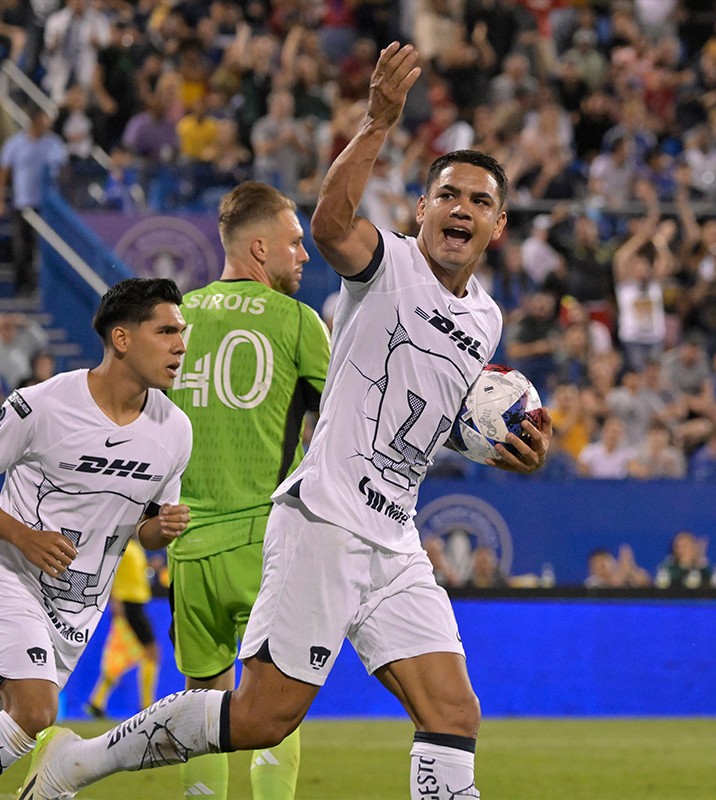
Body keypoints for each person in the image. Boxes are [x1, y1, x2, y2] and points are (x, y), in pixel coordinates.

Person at [19, 42, 552, 800]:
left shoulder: (487, 320)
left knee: (453, 711)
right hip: (326, 519)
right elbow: (332, 224)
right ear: (423, 209)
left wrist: (512, 449)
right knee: (263, 716)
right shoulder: (390, 264)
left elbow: (441, 417)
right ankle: (80, 762)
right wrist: (376, 123)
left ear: (497, 226)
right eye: (447, 195)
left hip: (395, 536)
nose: (460, 208)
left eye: (478, 201)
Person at [166, 181, 331, 800]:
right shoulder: (297, 321)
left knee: (199, 703)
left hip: (189, 546)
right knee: (273, 703)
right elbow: (349, 419)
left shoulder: (173, 319)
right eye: (294, 242)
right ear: (259, 249)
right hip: (268, 542)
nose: (304, 254)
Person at [0, 277, 191, 779]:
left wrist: (162, 528)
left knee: (18, 718)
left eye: (182, 332)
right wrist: (24, 536)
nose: (180, 345)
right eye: (166, 331)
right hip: (12, 577)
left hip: (77, 609)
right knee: (35, 710)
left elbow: (144, 529)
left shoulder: (175, 430)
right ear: (122, 338)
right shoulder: (41, 405)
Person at [84, 537, 160, 718]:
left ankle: (97, 702)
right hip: (129, 606)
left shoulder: (135, 547)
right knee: (150, 653)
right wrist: (115, 601)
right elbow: (109, 573)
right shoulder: (123, 546)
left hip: (135, 605)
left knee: (120, 655)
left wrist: (151, 567)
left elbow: (136, 574)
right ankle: (146, 704)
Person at [0, 106, 68, 296]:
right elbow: (4, 171)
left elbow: (63, 170)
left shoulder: (53, 143)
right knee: (22, 246)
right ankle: (23, 286)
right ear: (34, 120)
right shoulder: (15, 143)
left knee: (47, 247)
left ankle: (48, 287)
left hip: (47, 205)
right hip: (23, 203)